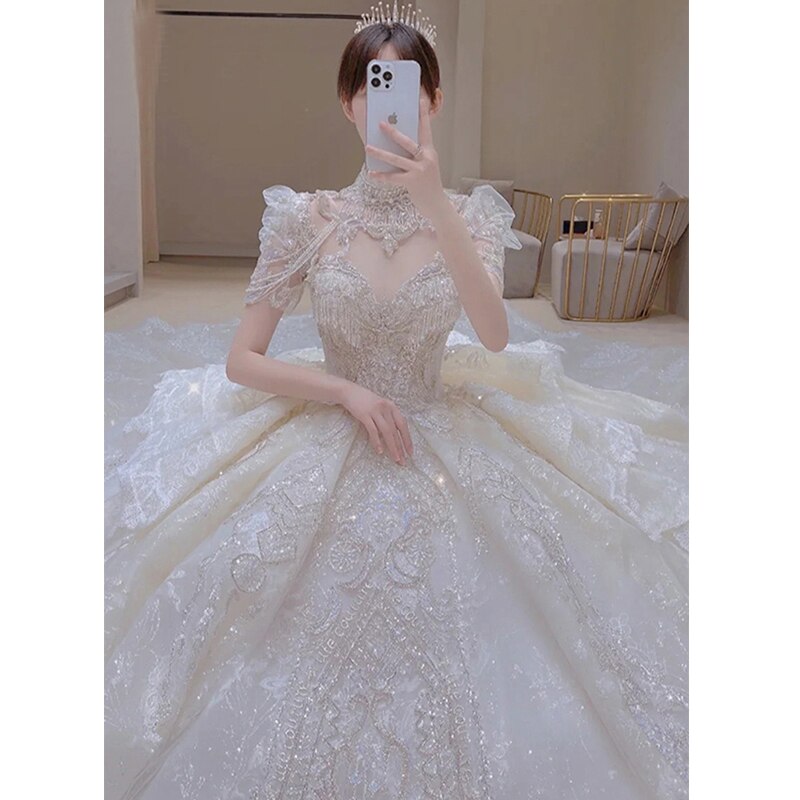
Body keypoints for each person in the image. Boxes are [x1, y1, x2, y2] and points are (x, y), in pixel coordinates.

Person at [105, 8, 688, 800]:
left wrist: (437, 203)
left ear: (434, 102)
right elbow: (243, 360)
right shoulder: (306, 218)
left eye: (408, 93)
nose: (389, 109)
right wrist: (343, 390)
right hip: (330, 417)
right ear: (348, 104)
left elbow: (492, 336)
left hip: (439, 417)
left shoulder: (471, 216)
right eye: (371, 90)